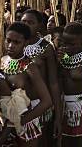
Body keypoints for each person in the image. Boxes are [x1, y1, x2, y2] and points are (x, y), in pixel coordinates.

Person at [1, 22, 53, 146]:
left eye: (16, 42)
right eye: (8, 41)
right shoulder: (3, 61)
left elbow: (46, 101)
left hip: (25, 124)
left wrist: (21, 121)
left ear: (26, 43)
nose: (10, 45)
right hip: (4, 122)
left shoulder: (30, 67)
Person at [21, 9, 62, 144]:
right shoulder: (15, 44)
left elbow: (53, 82)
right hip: (19, 107)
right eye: (23, 22)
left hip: (40, 106)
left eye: (31, 22)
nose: (26, 25)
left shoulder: (46, 48)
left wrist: (58, 115)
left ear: (39, 25)